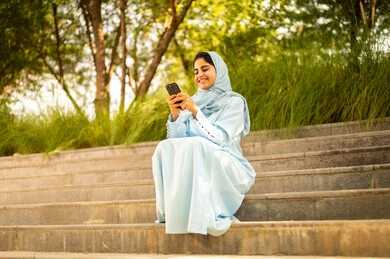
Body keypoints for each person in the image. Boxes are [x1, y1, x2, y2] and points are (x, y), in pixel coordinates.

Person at [152, 51, 256, 236]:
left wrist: (196, 112)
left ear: (219, 70)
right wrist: (176, 115)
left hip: (228, 165)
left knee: (197, 145)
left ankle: (201, 215)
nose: (200, 75)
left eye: (205, 69)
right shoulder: (192, 102)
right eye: (196, 71)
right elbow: (177, 144)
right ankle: (173, 213)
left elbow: (220, 138)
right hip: (200, 157)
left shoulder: (234, 102)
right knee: (163, 147)